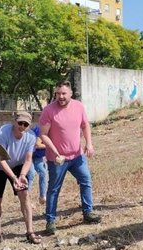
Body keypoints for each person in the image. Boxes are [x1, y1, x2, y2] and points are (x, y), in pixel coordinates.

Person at [40, 80, 101, 234]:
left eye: (64, 93)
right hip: (57, 160)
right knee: (54, 189)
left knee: (86, 181)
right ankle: (50, 221)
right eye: (58, 93)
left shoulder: (78, 106)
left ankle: (88, 213)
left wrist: (89, 143)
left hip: (77, 156)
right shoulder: (48, 110)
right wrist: (55, 151)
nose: (60, 96)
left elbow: (85, 125)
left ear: (70, 94)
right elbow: (43, 135)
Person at [0, 111, 42, 244]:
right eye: (20, 123)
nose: (22, 126)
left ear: (29, 125)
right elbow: (1, 160)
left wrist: (21, 176)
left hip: (18, 164)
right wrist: (13, 178)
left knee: (24, 194)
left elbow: (28, 160)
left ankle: (30, 231)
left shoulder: (31, 137)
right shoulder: (3, 132)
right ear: (14, 121)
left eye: (25, 124)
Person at [26, 119, 48, 209]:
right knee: (31, 174)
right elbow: (37, 145)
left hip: (38, 156)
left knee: (43, 172)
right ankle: (26, 199)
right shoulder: (41, 130)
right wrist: (50, 145)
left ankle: (42, 196)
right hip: (29, 154)